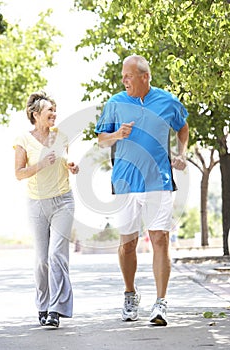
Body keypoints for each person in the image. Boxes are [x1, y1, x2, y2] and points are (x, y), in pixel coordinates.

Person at [95, 55, 189, 326]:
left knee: (160, 239)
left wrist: (182, 153)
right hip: (125, 182)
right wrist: (116, 136)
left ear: (144, 77)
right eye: (123, 76)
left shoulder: (167, 101)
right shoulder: (115, 104)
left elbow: (182, 127)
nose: (124, 80)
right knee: (128, 244)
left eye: (128, 76)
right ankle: (130, 293)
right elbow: (101, 140)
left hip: (158, 181)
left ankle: (160, 304)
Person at [14, 91, 79, 328]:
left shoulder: (61, 136)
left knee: (56, 255)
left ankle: (56, 309)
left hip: (63, 200)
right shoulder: (23, 140)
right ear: (35, 114)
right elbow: (19, 173)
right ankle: (42, 305)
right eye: (49, 110)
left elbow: (66, 159)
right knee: (42, 259)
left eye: (54, 109)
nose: (54, 113)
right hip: (37, 203)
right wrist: (41, 164)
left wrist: (72, 165)